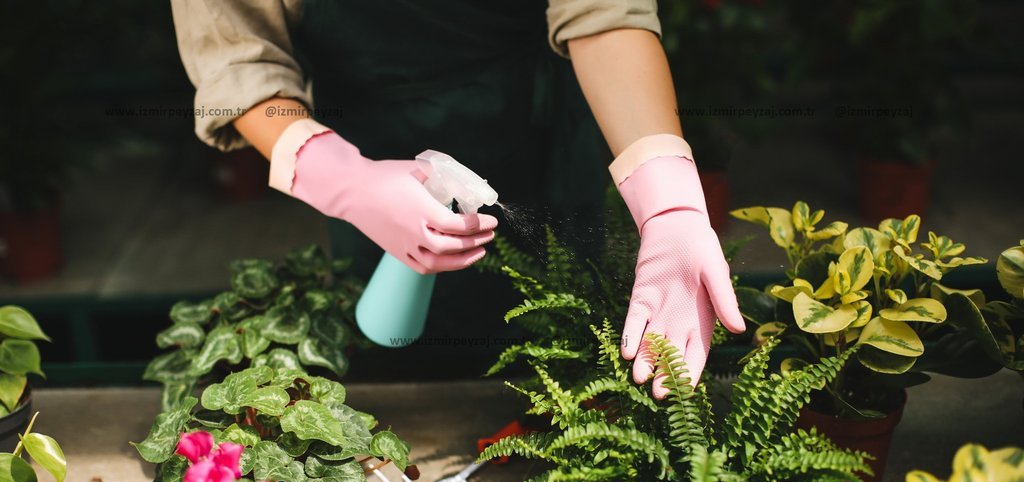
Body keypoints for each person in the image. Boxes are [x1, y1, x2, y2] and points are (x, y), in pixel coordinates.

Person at [170, 0, 745, 397]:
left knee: (574, 333)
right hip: (374, 139)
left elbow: (602, 13)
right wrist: (339, 175)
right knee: (399, 359)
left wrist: (669, 203)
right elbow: (238, 62)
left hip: (541, 116)